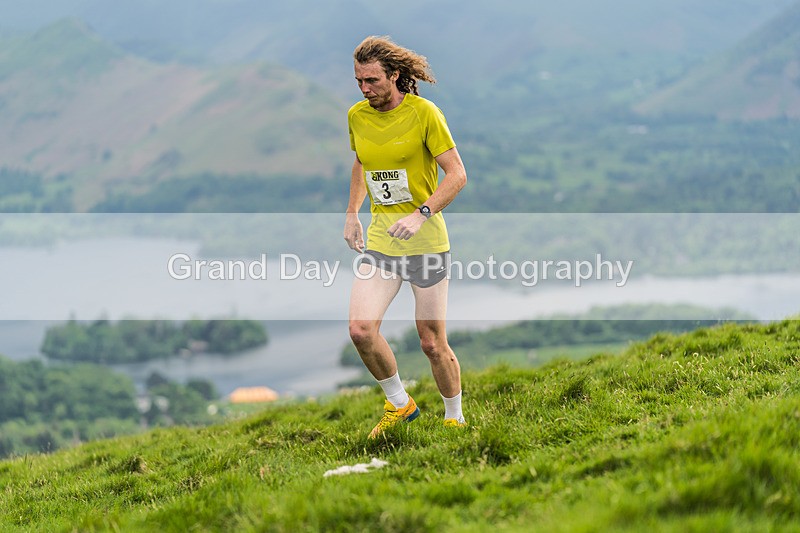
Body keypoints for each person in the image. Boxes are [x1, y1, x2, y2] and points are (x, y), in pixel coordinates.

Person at [343, 35, 468, 439]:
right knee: (361, 330)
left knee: (431, 343)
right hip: (382, 242)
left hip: (426, 243)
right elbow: (362, 163)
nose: (365, 89)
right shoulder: (357, 116)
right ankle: (401, 404)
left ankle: (454, 418)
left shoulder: (424, 113)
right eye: (360, 80)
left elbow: (458, 175)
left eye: (373, 80)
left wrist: (421, 213)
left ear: (395, 76)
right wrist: (352, 214)